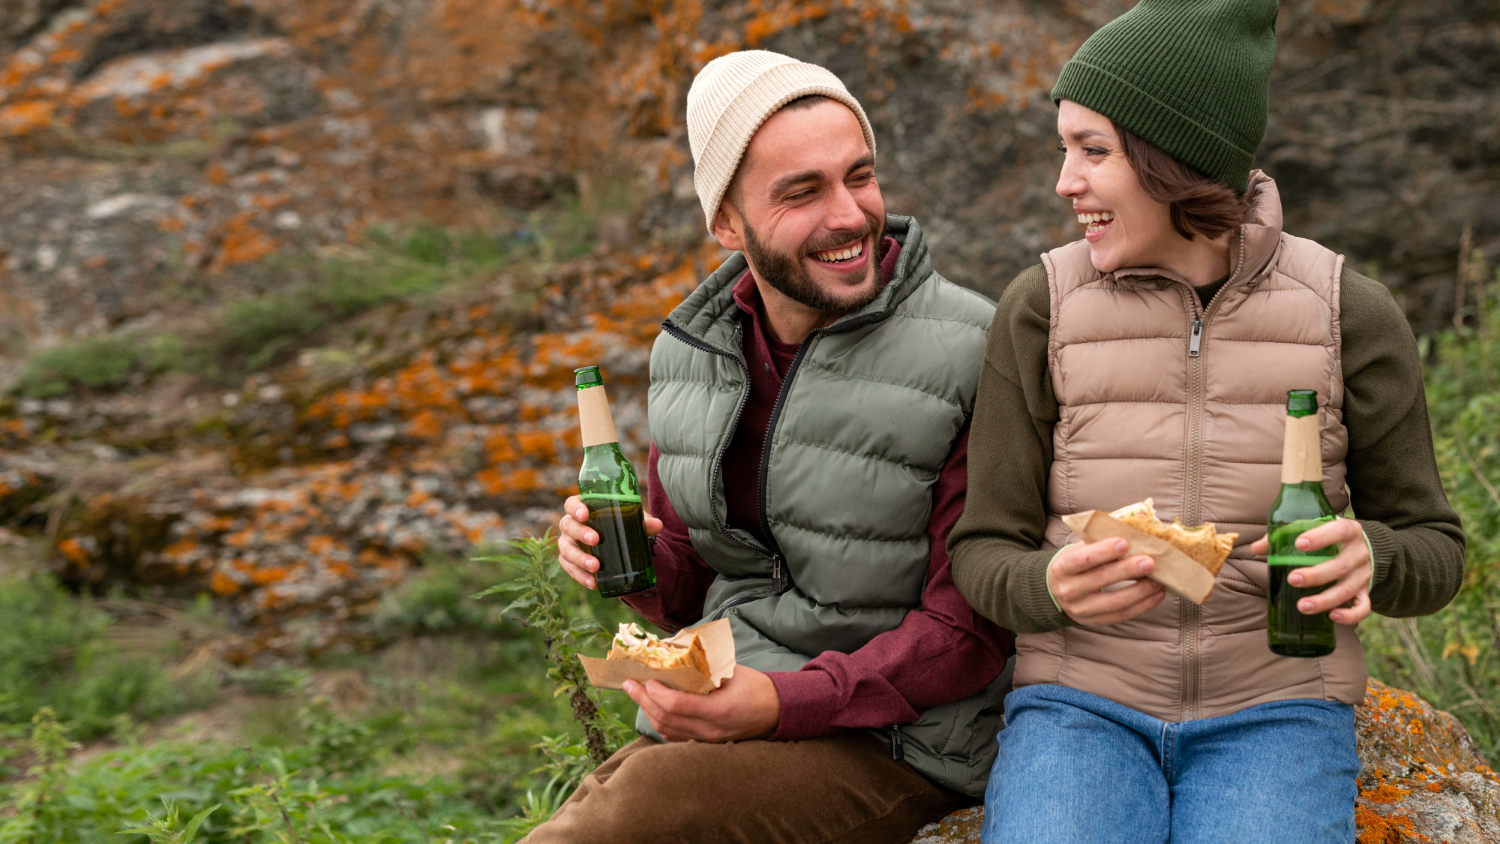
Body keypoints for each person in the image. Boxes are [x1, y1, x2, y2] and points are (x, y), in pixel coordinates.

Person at [947, 2, 1466, 843]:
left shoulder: (1348, 311)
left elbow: (1436, 551)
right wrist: (1046, 588)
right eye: (1064, 149)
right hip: (1080, 707)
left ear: (1173, 159)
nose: (1063, 182)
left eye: (1093, 151)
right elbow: (980, 551)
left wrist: (1376, 554)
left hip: (1280, 713)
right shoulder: (1040, 307)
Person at [524, 50, 1012, 844]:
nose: (851, 214)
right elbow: (688, 590)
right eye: (802, 192)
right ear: (725, 222)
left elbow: (970, 633)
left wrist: (782, 703)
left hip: (904, 740)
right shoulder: (691, 352)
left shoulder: (974, 350)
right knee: (608, 807)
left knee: (616, 823)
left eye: (860, 176)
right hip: (744, 702)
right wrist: (627, 561)